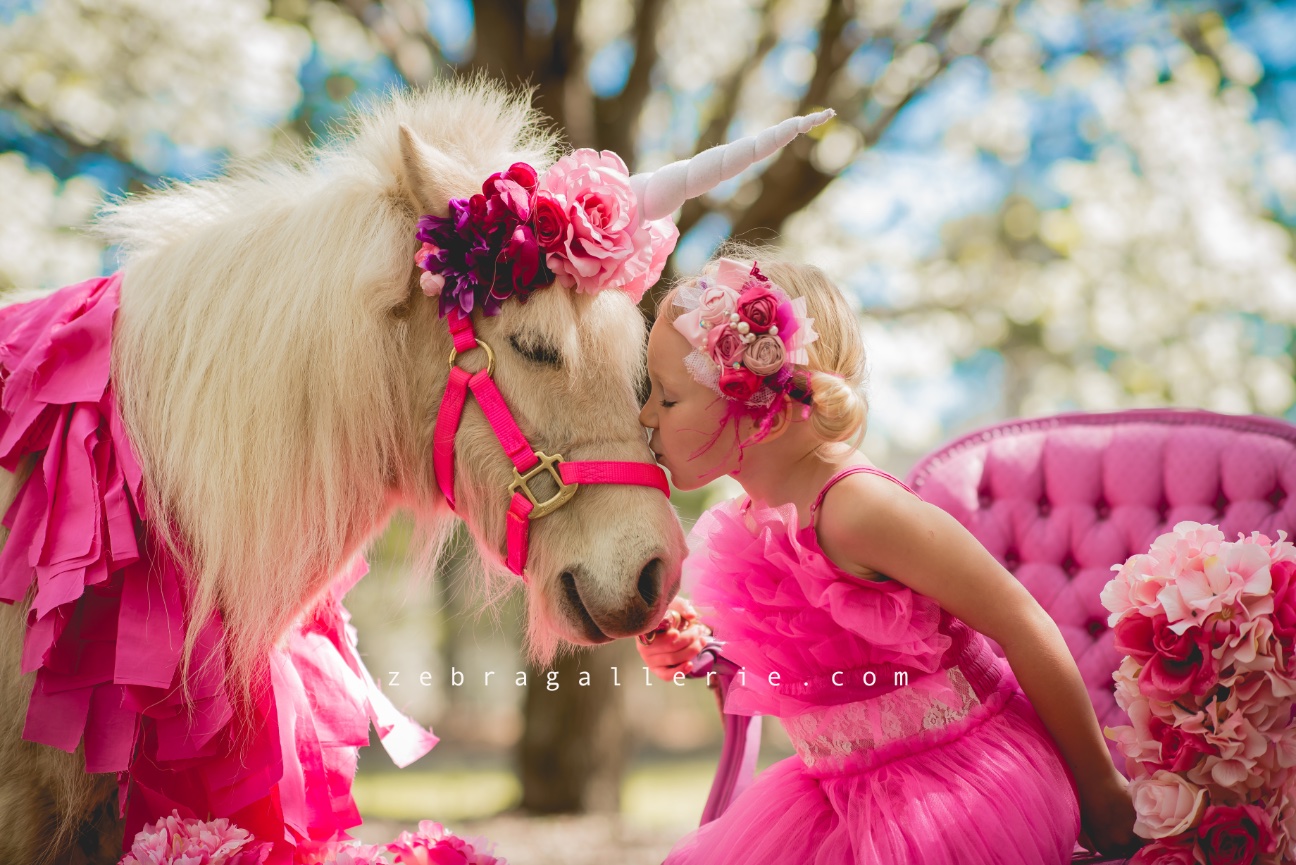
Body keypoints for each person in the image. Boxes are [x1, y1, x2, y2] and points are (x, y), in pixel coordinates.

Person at [635, 249, 1141, 864]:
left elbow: (1022, 622)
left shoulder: (857, 507)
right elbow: (815, 657)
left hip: (954, 786)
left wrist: (1100, 789)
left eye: (665, 397)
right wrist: (701, 646)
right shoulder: (753, 524)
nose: (645, 418)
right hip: (837, 791)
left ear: (755, 406)